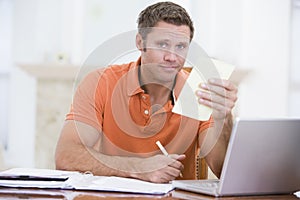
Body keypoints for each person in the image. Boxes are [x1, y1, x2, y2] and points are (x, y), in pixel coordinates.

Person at [55, 1, 238, 183]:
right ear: (140, 42)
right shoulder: (101, 82)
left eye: (181, 47)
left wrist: (224, 117)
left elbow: (223, 170)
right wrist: (137, 168)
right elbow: (66, 156)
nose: (172, 57)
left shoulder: (199, 91)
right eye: (163, 45)